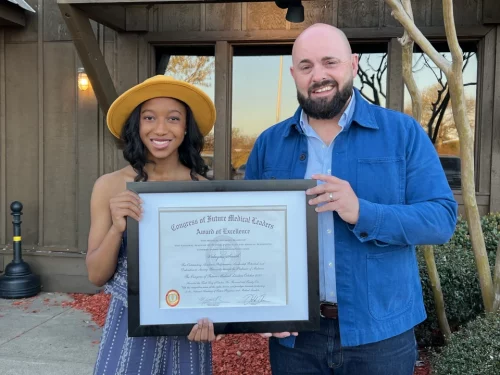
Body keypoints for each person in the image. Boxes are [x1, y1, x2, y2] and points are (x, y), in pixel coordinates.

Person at [244, 23, 458, 375]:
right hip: (296, 338)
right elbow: (251, 240)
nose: (319, 75)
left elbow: (441, 219)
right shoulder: (269, 144)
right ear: (293, 73)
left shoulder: (401, 134)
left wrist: (363, 212)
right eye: (307, 66)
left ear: (354, 64)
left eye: (331, 62)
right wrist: (259, 308)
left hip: (381, 337)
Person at [87, 75, 219, 375]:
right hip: (128, 324)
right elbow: (95, 274)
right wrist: (117, 228)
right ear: (137, 125)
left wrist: (217, 317)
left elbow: (215, 268)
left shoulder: (203, 188)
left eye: (173, 118)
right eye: (149, 118)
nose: (160, 129)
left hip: (190, 327)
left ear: (186, 128)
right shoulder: (110, 186)